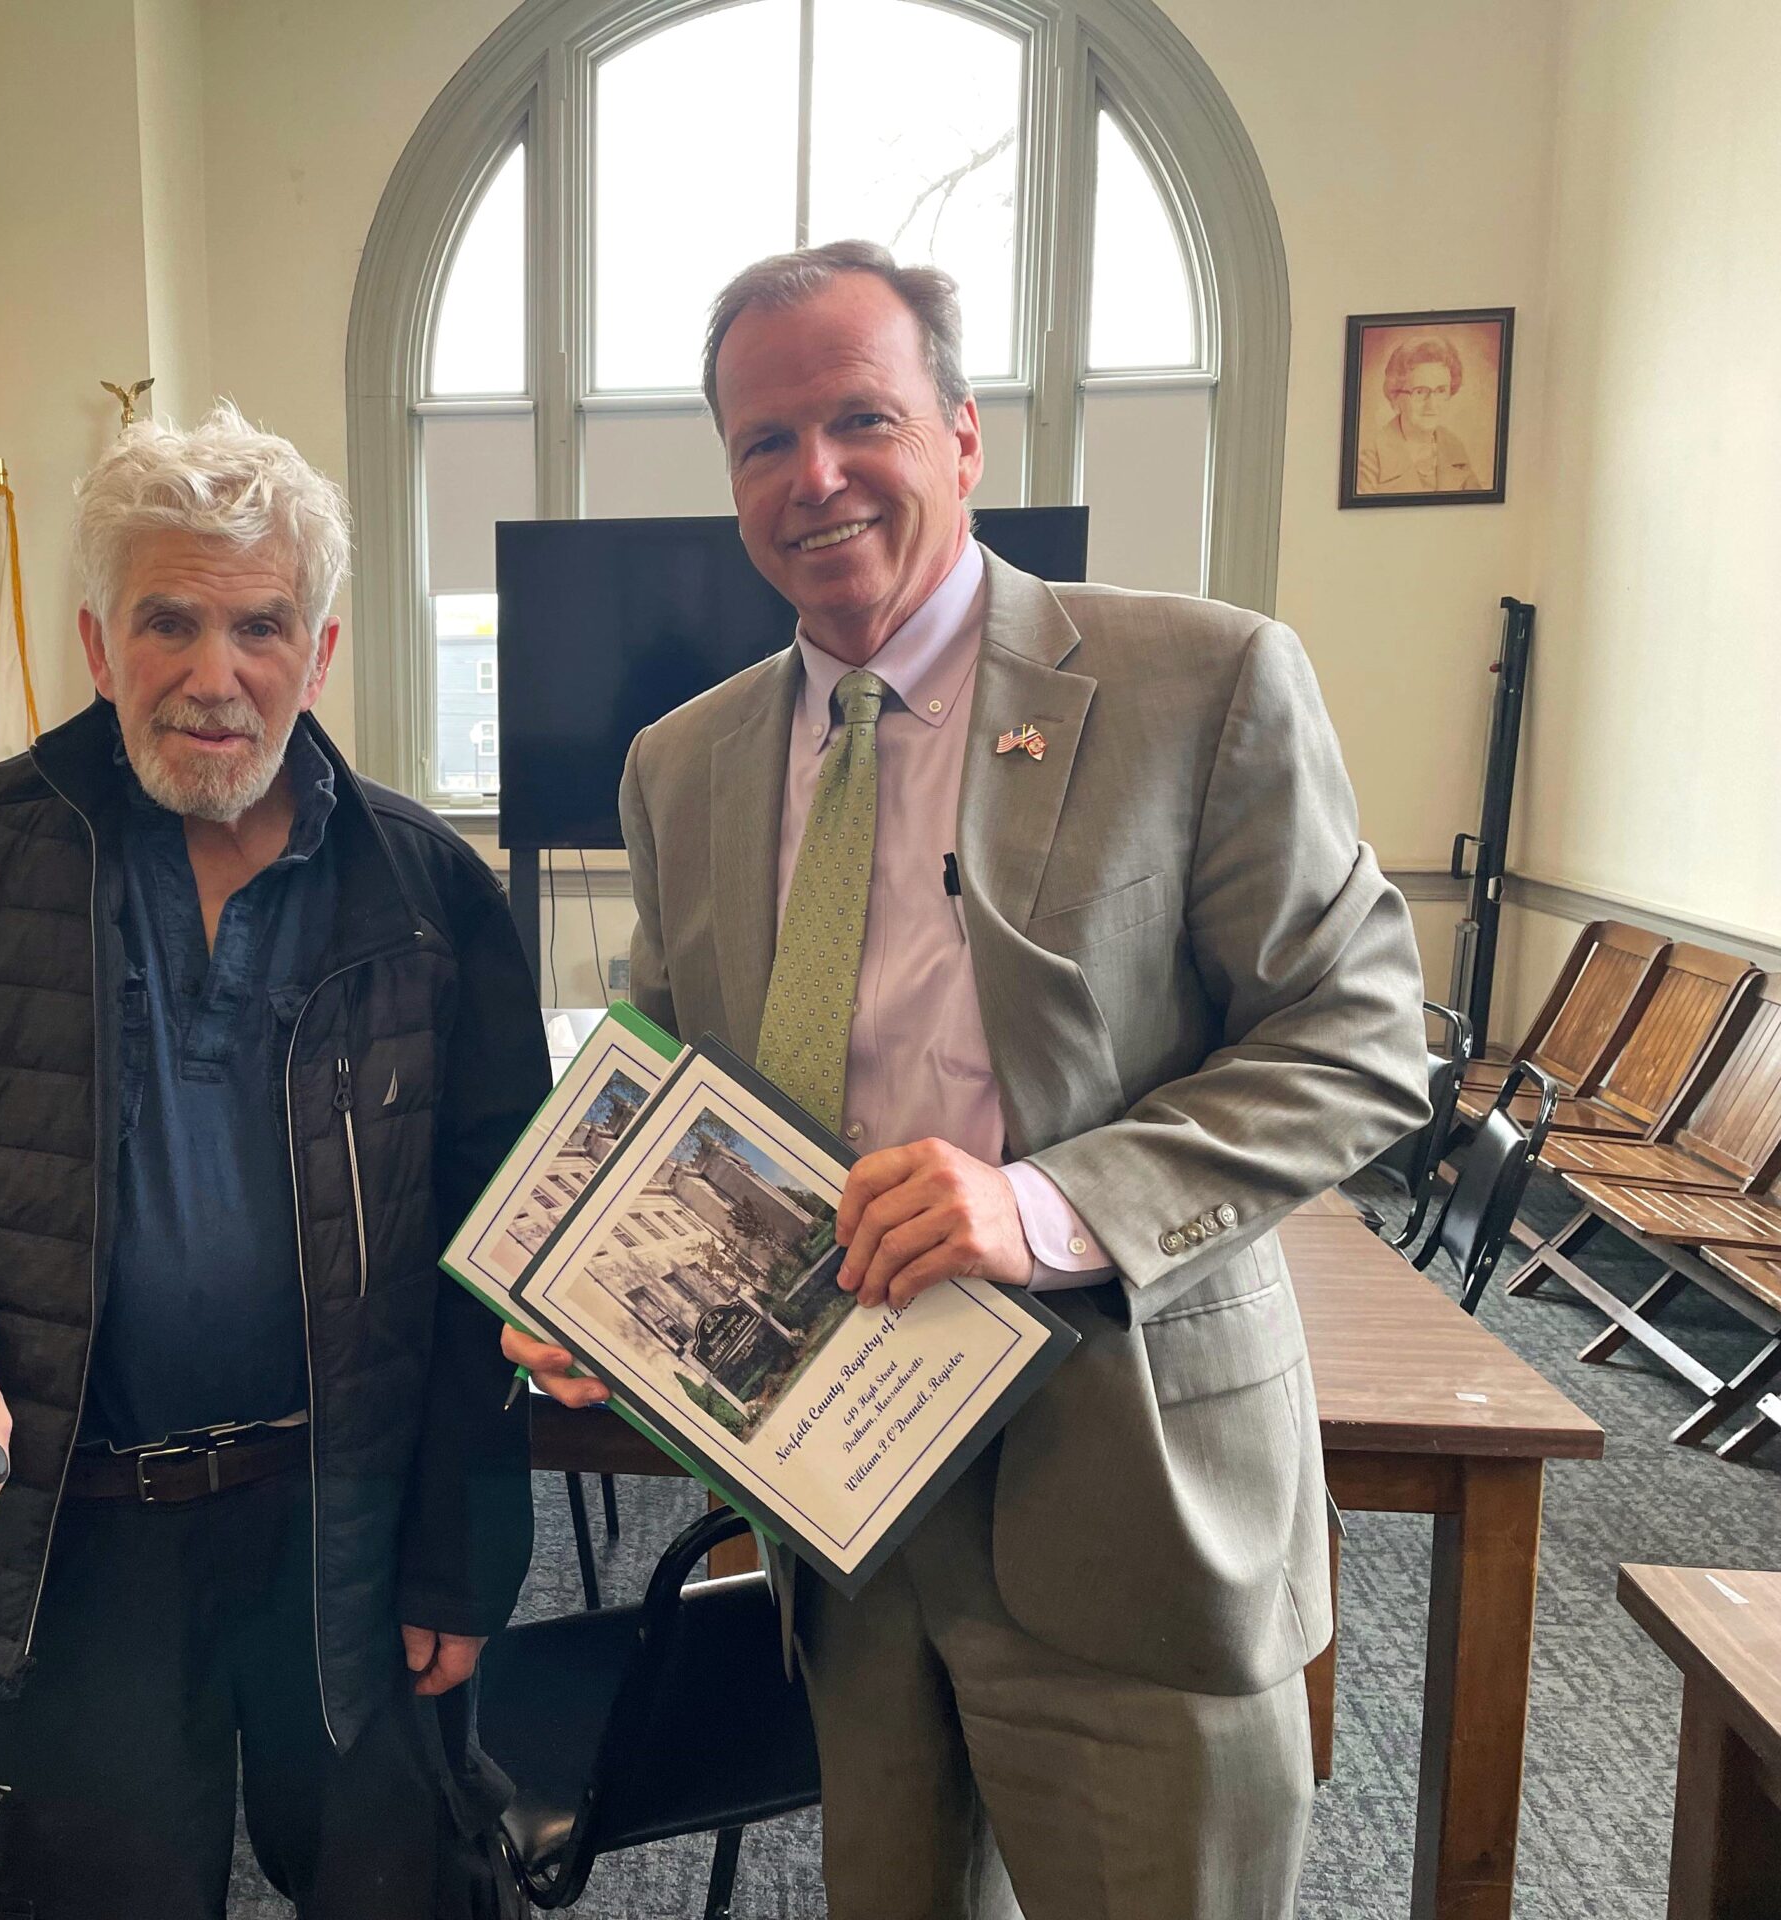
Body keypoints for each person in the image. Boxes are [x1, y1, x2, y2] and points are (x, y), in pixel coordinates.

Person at [505, 239, 1431, 1919]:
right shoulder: (683, 761)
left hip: (1131, 1497)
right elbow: (660, 1074)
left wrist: (1042, 1205)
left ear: (962, 435)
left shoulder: (1198, 685)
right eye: (766, 442)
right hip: (841, 1506)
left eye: (862, 417)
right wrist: (592, 1286)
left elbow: (1360, 1036)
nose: (818, 476)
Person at [0, 402, 551, 1919]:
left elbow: (494, 1234)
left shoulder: (428, 891)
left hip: (336, 1525)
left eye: (261, 625)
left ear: (321, 653)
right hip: (74, 1541)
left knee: (403, 1896)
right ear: (99, 643)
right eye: (171, 622)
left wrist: (463, 1555)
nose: (217, 675)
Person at [1358, 335, 1484, 492]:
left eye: (1440, 391)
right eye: (1419, 392)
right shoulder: (1371, 460)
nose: (1432, 404)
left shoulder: (1453, 447)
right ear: (1397, 396)